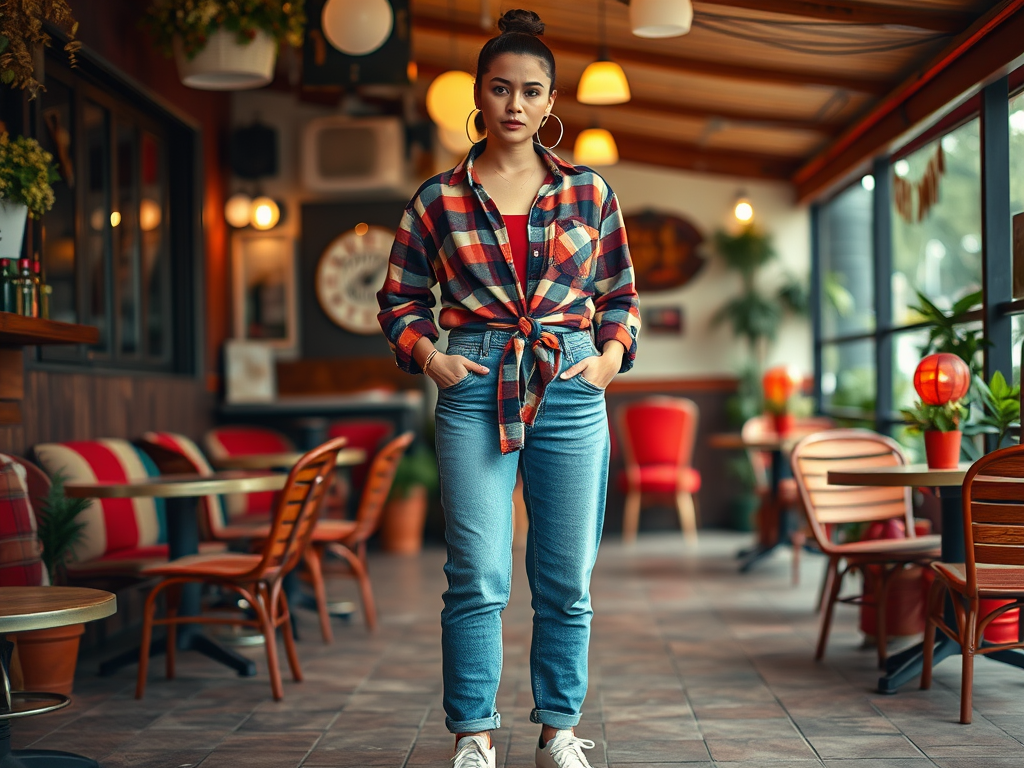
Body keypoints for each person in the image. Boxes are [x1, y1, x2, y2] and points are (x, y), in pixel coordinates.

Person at [377, 9, 640, 768]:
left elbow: (620, 293)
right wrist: (433, 358)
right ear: (480, 96)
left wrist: (609, 359)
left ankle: (558, 729)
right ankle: (474, 736)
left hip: (570, 380)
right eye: (500, 89)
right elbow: (397, 301)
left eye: (530, 91)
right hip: (474, 378)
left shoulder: (590, 193)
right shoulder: (438, 198)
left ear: (551, 102)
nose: (515, 105)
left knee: (565, 577)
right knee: (478, 574)